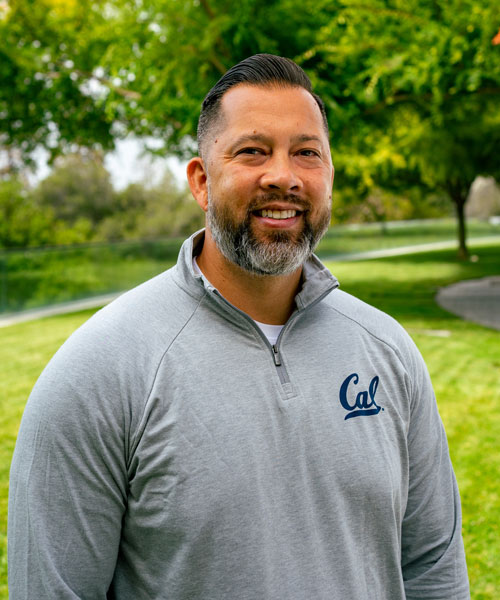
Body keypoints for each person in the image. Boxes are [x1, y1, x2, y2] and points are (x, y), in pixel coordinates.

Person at [8, 54, 470, 599]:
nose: (284, 176)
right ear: (202, 181)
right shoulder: (97, 372)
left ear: (328, 177)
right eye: (253, 151)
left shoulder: (388, 349)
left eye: (307, 153)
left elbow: (434, 570)